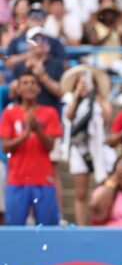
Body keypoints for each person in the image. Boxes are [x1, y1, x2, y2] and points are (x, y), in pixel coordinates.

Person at [0, 71, 62, 226]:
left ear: (39, 88)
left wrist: (37, 130)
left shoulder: (50, 113)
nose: (29, 86)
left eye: (33, 83)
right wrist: (27, 132)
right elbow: (6, 147)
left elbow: (50, 146)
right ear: (18, 88)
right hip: (17, 179)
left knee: (48, 229)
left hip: (43, 180)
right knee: (14, 229)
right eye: (25, 83)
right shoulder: (9, 113)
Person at [60, 66, 115, 226]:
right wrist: (78, 95)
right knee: (81, 192)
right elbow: (68, 117)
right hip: (79, 149)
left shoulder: (100, 100)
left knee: (101, 190)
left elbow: (108, 117)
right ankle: (81, 225)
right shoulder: (72, 99)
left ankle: (100, 222)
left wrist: (95, 96)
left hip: (99, 149)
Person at [9, 27, 64, 110]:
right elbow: (12, 95)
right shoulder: (20, 66)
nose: (39, 42)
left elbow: (61, 93)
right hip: (23, 111)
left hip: (50, 111)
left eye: (43, 39)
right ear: (28, 44)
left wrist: (43, 76)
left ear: (47, 43)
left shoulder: (57, 64)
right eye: (35, 39)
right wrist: (27, 71)